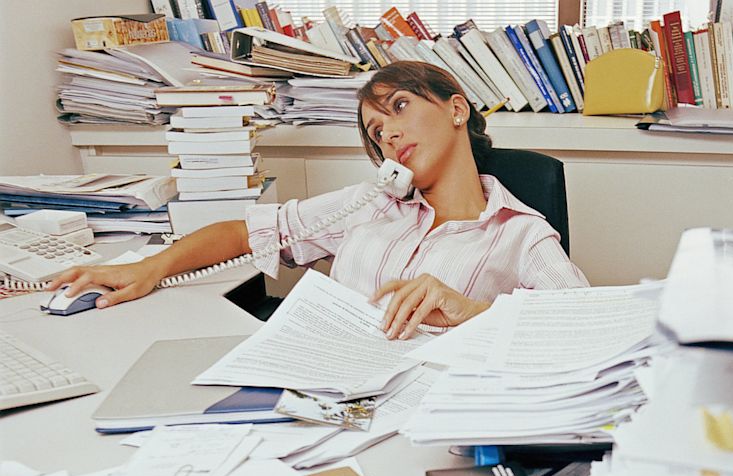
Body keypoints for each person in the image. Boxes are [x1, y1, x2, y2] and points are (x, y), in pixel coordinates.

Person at [50, 61, 588, 339]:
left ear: (456, 110)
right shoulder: (371, 204)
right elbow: (245, 232)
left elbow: (585, 330)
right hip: (314, 381)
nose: (389, 135)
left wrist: (471, 313)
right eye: (376, 131)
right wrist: (150, 266)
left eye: (400, 107)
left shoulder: (519, 232)